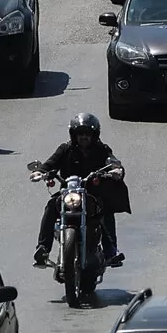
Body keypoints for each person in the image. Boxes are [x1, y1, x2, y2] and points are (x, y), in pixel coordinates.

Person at [35, 113, 131, 267]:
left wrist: (116, 171)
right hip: (68, 193)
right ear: (74, 135)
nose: (84, 137)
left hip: (93, 193)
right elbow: (50, 163)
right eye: (80, 134)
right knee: (51, 206)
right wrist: (40, 172)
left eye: (87, 134)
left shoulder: (101, 149)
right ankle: (43, 249)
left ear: (94, 135)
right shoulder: (65, 149)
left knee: (105, 210)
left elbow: (113, 163)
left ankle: (111, 251)